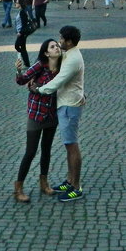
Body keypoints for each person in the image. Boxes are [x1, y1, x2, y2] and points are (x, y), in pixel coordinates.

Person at [34, 25, 86, 202]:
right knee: (68, 145)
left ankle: (76, 187)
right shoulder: (69, 53)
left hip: (69, 105)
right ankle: (70, 180)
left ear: (69, 42)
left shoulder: (73, 59)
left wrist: (38, 89)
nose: (59, 41)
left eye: (62, 38)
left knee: (72, 145)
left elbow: (58, 81)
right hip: (67, 103)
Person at [13, 38, 62, 203]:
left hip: (52, 114)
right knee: (31, 151)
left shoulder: (62, 68)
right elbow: (22, 81)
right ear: (46, 52)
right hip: (36, 113)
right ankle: (18, 187)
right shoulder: (41, 65)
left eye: (58, 46)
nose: (57, 48)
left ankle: (44, 183)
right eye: (53, 46)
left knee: (47, 149)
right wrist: (19, 71)